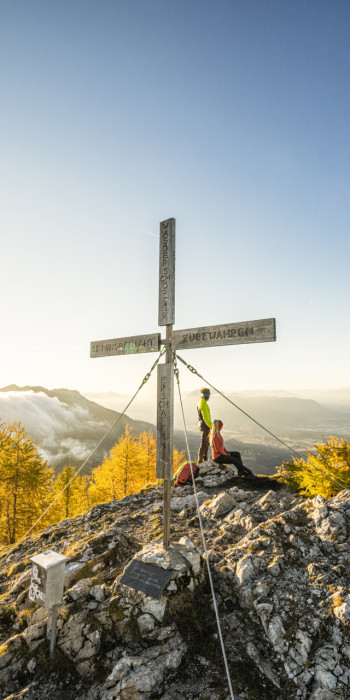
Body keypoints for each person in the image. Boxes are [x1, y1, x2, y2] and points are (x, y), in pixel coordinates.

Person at [197, 387, 212, 463]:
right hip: (205, 425)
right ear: (207, 395)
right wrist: (212, 426)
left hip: (202, 424)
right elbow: (206, 417)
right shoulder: (203, 403)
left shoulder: (201, 402)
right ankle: (201, 460)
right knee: (204, 443)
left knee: (206, 443)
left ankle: (204, 459)